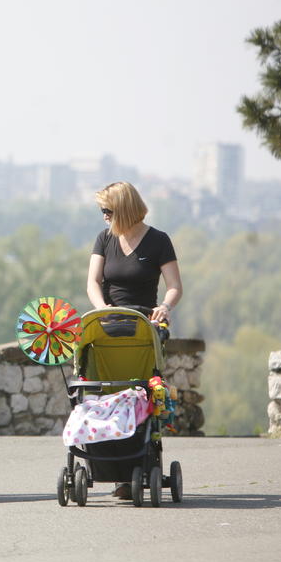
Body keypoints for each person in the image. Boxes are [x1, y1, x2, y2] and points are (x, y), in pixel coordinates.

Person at [86, 181, 183, 498]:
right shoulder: (105, 239)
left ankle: (139, 461)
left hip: (144, 322)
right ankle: (111, 464)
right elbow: (93, 282)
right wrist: (101, 308)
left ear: (123, 210)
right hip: (109, 322)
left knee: (141, 387)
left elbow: (174, 286)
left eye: (107, 211)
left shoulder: (158, 241)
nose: (103, 217)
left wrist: (165, 307)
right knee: (106, 389)